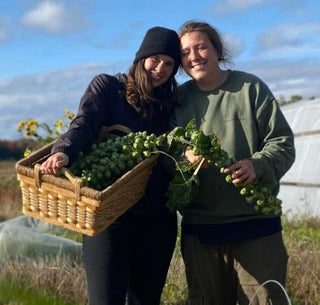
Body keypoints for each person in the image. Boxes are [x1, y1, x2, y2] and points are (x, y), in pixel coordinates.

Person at [41, 26, 181, 305]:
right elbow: (85, 122)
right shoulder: (108, 88)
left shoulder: (171, 104)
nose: (160, 68)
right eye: (155, 59)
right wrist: (64, 151)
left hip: (157, 218)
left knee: (146, 301)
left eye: (169, 64)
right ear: (141, 57)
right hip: (109, 216)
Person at [171, 20, 296, 305]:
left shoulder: (249, 88)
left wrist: (257, 165)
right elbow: (164, 156)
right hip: (202, 234)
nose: (194, 57)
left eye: (201, 47)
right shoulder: (177, 101)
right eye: (185, 53)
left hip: (256, 229)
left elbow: (283, 143)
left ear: (217, 50)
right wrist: (185, 160)